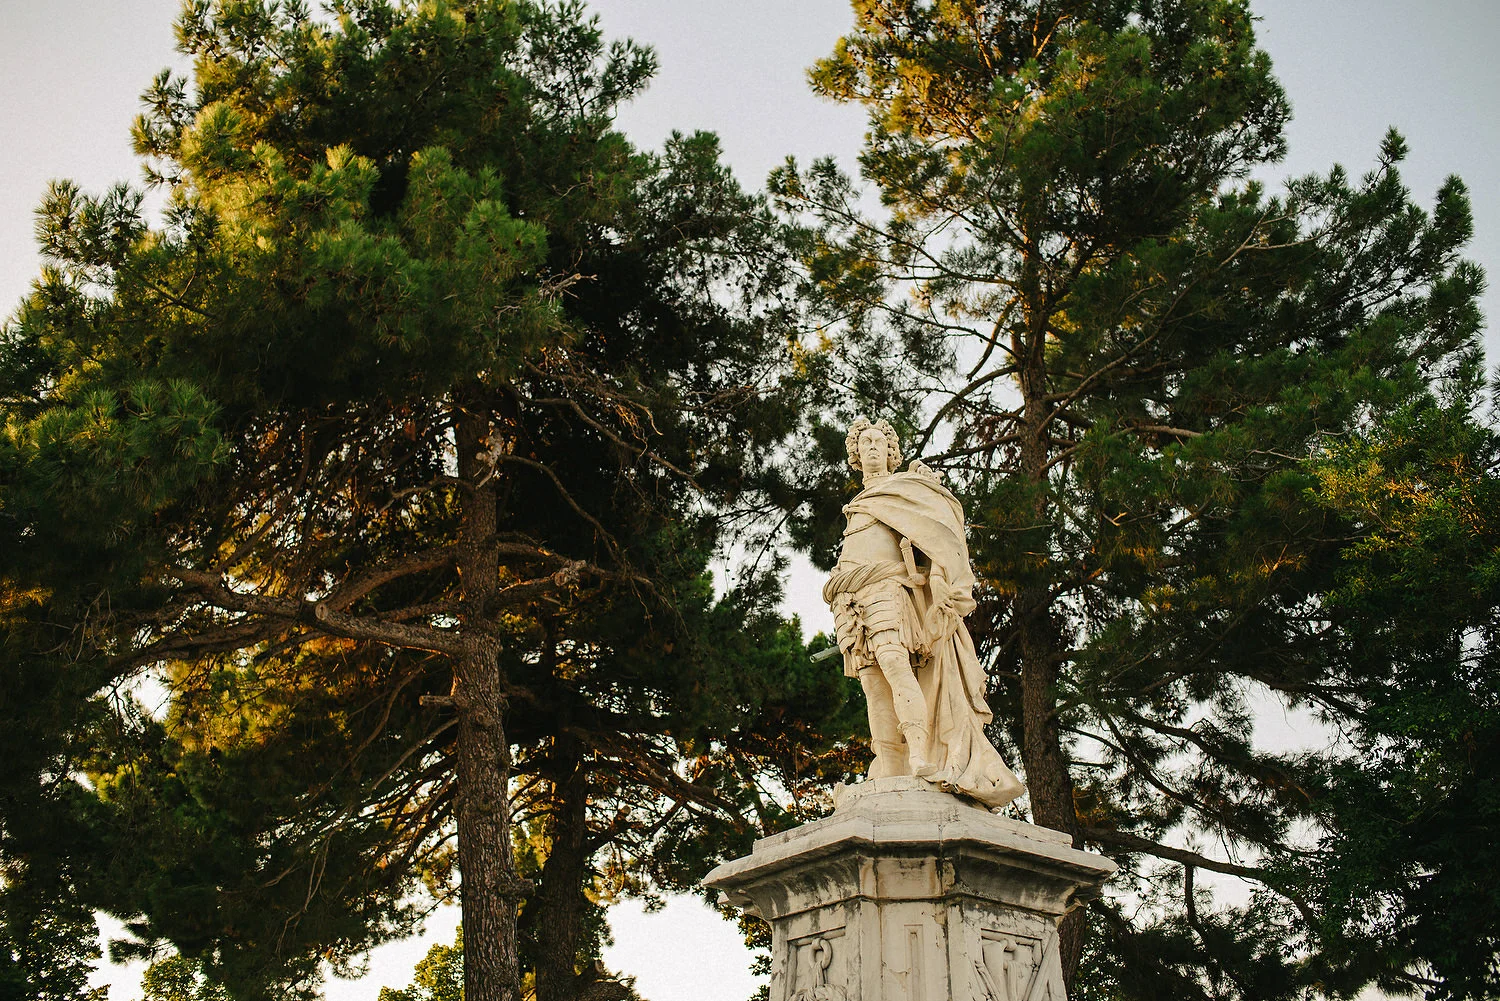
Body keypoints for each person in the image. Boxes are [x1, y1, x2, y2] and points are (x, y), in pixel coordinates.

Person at [823, 418, 1025, 809]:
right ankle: (890, 760)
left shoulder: (904, 490)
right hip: (849, 599)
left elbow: (941, 534)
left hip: (887, 590)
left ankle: (919, 754)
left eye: (879, 441)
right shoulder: (859, 505)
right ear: (855, 454)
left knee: (896, 665)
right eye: (864, 442)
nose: (872, 447)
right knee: (872, 683)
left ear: (892, 452)